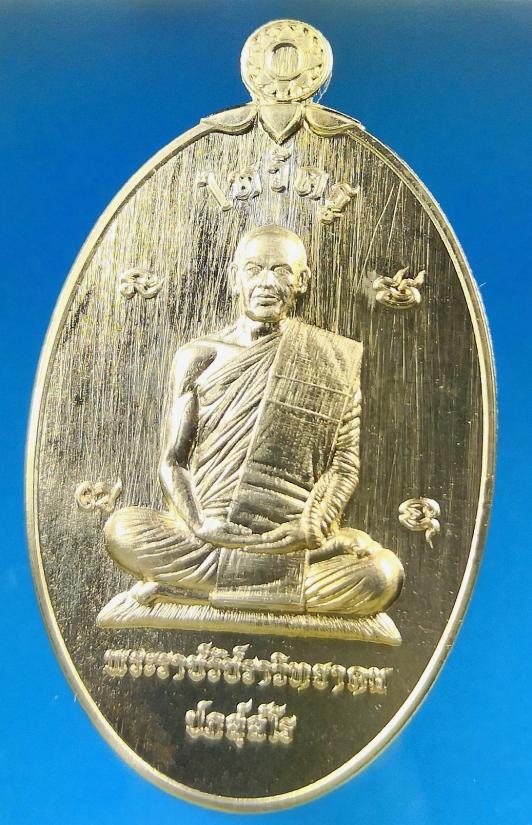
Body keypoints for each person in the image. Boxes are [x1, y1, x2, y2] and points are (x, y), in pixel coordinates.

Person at [104, 225, 403, 617]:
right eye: (253, 269)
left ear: (302, 281)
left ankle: (190, 590)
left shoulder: (332, 360)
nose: (266, 283)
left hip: (291, 541)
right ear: (234, 278)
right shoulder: (200, 356)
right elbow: (174, 461)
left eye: (281, 271)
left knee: (383, 575)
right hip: (211, 539)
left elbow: (344, 464)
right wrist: (200, 524)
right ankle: (269, 588)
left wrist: (312, 526)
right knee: (122, 531)